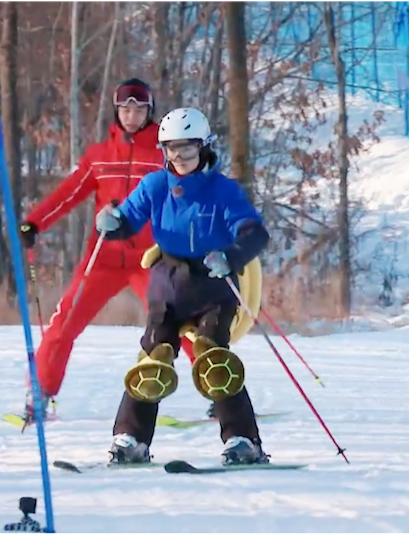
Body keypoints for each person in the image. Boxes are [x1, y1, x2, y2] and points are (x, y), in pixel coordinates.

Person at [94, 107, 271, 466]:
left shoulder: (222, 190)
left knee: (214, 357)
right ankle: (131, 439)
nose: (179, 157)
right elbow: (127, 221)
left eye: (187, 149)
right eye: (171, 149)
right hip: (168, 284)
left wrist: (231, 256)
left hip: (213, 286)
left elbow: (255, 233)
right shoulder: (156, 185)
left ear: (203, 147)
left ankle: (243, 440)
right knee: (153, 358)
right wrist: (111, 222)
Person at [18, 78, 194, 422]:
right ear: (117, 111)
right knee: (63, 322)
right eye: (126, 108)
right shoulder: (100, 157)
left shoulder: (163, 155)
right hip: (103, 257)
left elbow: (190, 195)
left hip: (151, 258)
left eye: (139, 109)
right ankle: (39, 394)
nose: (132, 115)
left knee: (182, 320)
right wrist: (35, 223)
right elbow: (69, 193)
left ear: (149, 111)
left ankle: (220, 390)